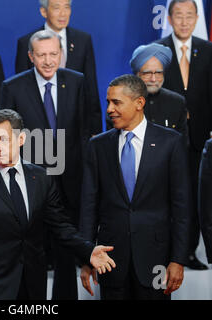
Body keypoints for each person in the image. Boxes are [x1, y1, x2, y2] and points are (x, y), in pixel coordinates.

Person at [0, 109, 116, 300]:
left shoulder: (41, 178)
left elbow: (61, 227)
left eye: (3, 139)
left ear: (21, 139)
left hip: (33, 280)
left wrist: (88, 250)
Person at [79, 74, 191, 300]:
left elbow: (182, 208)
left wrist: (178, 259)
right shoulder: (98, 145)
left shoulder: (170, 142)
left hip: (156, 258)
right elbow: (89, 206)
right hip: (109, 260)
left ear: (139, 103)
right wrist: (86, 256)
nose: (109, 109)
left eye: (116, 102)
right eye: (108, 102)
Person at [0, 29, 88, 300]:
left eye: (53, 54)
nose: (48, 61)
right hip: (31, 181)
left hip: (70, 180)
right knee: (33, 250)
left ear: (61, 54)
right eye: (41, 55)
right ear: (30, 56)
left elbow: (84, 130)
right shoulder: (12, 87)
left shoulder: (76, 81)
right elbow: (5, 139)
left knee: (66, 249)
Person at [156, 0, 212, 270]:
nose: (185, 21)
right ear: (169, 18)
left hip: (202, 138)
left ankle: (189, 252)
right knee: (169, 194)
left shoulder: (208, 50)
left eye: (190, 16)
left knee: (196, 196)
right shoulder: (159, 51)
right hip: (169, 135)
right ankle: (167, 251)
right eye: (179, 15)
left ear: (197, 17)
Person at [15, 0, 102, 136]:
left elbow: (90, 88)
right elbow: (21, 90)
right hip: (37, 132)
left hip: (73, 130)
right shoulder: (26, 42)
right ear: (44, 11)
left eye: (67, 7)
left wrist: (95, 130)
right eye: (56, 8)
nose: (63, 14)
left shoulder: (82, 40)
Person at [106, 43, 188, 141]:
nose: (153, 79)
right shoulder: (119, 101)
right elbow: (111, 142)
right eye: (147, 73)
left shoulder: (177, 102)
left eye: (158, 73)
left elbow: (183, 144)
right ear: (136, 74)